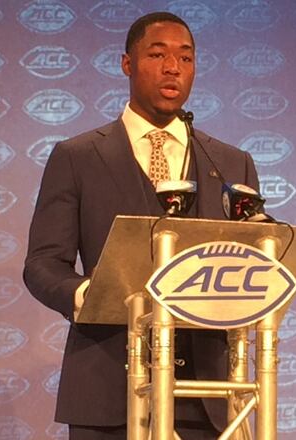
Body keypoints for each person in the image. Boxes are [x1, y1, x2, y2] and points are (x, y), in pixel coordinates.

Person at [23, 12, 259, 440]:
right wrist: (88, 295)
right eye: (158, 55)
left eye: (186, 59)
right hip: (108, 391)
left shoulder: (229, 163)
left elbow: (250, 259)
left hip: (209, 397)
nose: (173, 68)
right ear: (127, 64)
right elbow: (42, 265)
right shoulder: (77, 157)